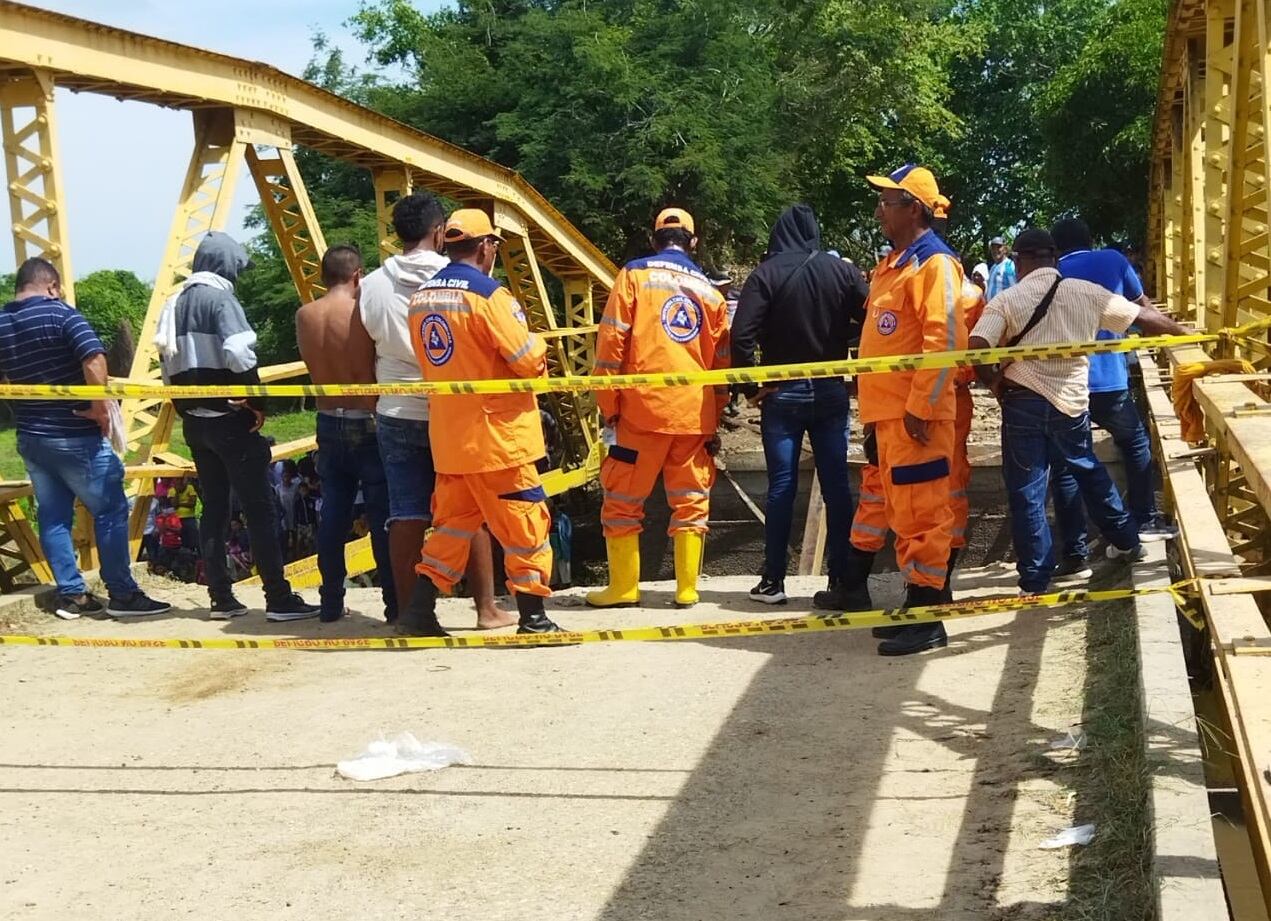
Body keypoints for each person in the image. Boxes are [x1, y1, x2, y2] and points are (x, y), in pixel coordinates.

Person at [969, 229, 1188, 594]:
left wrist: (993, 382)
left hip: (1022, 401)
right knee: (1087, 469)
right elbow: (1143, 317)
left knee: (1028, 491)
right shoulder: (1087, 293)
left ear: (1019, 261)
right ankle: (1127, 539)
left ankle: (1035, 581)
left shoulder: (1009, 299)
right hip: (1070, 402)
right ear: (1054, 257)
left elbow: (977, 344)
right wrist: (1185, 336)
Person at [398, 208, 562, 636]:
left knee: (450, 529)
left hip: (452, 442)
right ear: (487, 246)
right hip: (499, 440)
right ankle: (534, 618)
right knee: (525, 524)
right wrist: (541, 346)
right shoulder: (490, 297)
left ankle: (418, 613)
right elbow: (527, 360)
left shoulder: (421, 298)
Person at [359, 192, 514, 630]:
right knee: (469, 507)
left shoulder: (371, 284)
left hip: (396, 408)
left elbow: (360, 351)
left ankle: (411, 613)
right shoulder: (459, 281)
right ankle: (486, 608)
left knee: (405, 511)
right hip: (455, 410)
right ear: (440, 232)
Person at [155, 231, 318, 621]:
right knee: (260, 510)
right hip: (230, 421)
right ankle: (278, 597)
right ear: (226, 265)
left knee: (214, 509)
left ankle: (220, 597)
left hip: (194, 422)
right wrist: (256, 403)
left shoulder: (172, 302)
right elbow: (239, 353)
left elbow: (164, 363)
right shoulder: (220, 299)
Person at [0, 259, 169, 618]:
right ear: (53, 286)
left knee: (53, 515)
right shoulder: (62, 315)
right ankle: (123, 594)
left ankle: (72, 595)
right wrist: (99, 407)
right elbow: (93, 357)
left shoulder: (2, 322)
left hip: (31, 437)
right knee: (110, 509)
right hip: (74, 435)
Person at [845, 164, 967, 656]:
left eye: (887, 203)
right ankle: (916, 606)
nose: (879, 212)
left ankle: (928, 618)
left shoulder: (934, 265)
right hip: (890, 416)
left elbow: (946, 340)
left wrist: (922, 404)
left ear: (913, 208)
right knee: (903, 512)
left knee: (923, 514)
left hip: (915, 418)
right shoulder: (896, 265)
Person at [586, 207, 730, 609]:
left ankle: (624, 588)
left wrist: (608, 403)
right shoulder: (711, 292)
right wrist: (714, 416)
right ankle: (687, 589)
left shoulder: (633, 276)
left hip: (640, 410)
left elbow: (612, 343)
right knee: (691, 499)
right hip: (693, 413)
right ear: (693, 242)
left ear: (654, 240)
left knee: (623, 501)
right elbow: (721, 362)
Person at [731, 204, 868, 606]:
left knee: (782, 488)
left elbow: (741, 337)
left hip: (782, 392)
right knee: (837, 487)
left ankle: (773, 580)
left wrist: (752, 386)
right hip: (830, 390)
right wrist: (844, 339)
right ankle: (842, 577)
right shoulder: (842, 271)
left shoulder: (765, 275)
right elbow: (874, 315)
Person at [1048, 218, 1177, 581]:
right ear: (1091, 239)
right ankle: (1143, 518)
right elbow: (1142, 310)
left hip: (1064, 384)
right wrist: (1174, 333)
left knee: (1069, 462)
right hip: (1109, 380)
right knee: (1135, 443)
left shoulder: (1050, 272)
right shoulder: (1113, 260)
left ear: (1056, 248)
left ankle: (1073, 553)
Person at [295, 244, 398, 623]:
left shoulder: (304, 315)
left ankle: (330, 602)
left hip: (327, 421)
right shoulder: (361, 311)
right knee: (381, 516)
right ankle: (393, 603)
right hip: (366, 420)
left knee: (333, 516)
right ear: (357, 276)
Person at [173, 476, 200, 550]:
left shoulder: (190, 488)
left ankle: (197, 556)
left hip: (190, 517)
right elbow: (174, 505)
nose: (180, 481)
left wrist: (180, 504)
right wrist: (177, 492)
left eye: (181, 479)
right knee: (183, 540)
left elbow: (192, 503)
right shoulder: (172, 490)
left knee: (194, 539)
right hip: (178, 519)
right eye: (177, 479)